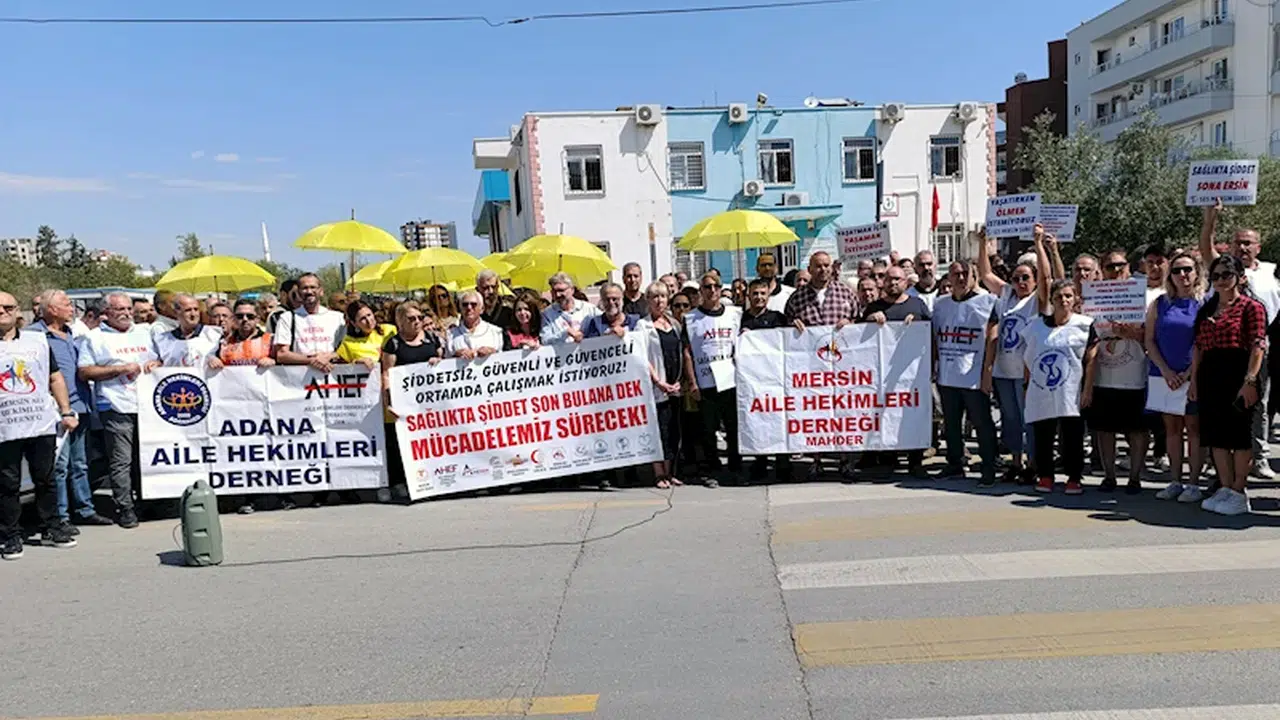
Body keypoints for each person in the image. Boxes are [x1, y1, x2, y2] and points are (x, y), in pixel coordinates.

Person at [1200, 202, 1280, 480]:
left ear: (1258, 246)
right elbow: (1206, 247)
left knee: (1258, 407)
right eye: (1237, 243)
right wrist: (1210, 218)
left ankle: (1259, 457)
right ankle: (1220, 467)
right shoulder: (1223, 268)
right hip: (1223, 354)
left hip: (1260, 350)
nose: (1242, 247)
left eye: (1248, 243)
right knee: (1222, 411)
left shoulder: (1271, 272)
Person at [0, 291, 82, 559]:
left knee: (45, 478)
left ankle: (51, 528)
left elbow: (55, 377)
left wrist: (66, 410)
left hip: (39, 422)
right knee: (8, 483)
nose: (2, 312)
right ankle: (10, 536)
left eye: (8, 307)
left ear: (17, 311)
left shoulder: (37, 342)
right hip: (5, 427)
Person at [1190, 254, 1267, 515]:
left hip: (1239, 373)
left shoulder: (1251, 307)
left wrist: (1250, 380)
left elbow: (1257, 345)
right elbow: (1198, 347)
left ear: (1240, 278)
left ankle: (1238, 490)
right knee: (1216, 435)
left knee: (1240, 436)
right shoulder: (1207, 309)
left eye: (1227, 275)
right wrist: (1194, 380)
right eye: (1216, 276)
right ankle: (1224, 486)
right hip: (1210, 375)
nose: (1221, 280)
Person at [30, 291, 112, 531]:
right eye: (67, 304)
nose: (72, 309)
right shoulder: (34, 336)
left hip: (80, 406)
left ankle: (85, 509)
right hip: (55, 409)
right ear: (52, 309)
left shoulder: (73, 334)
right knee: (59, 465)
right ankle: (61, 516)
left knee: (80, 463)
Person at [76, 292, 160, 528]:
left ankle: (146, 502)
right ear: (106, 313)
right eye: (119, 309)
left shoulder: (145, 332)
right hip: (115, 405)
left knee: (146, 457)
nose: (126, 313)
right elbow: (85, 371)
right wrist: (119, 369)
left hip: (147, 405)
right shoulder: (94, 337)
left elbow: (161, 359)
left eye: (128, 309)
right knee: (121, 460)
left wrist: (157, 363)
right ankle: (125, 508)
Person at [785, 251, 860, 481]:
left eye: (827, 265)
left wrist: (851, 323)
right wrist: (792, 324)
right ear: (810, 268)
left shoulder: (846, 293)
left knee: (844, 413)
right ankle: (816, 461)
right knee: (815, 413)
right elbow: (785, 328)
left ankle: (845, 461)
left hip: (842, 367)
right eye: (818, 266)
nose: (823, 270)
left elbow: (859, 322)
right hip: (811, 369)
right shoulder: (797, 298)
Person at [1023, 271, 1097, 495]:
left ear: (1075, 299)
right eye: (1058, 296)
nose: (1063, 300)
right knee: (1043, 433)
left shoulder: (1084, 325)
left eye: (1068, 296)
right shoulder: (1036, 326)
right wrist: (1027, 386)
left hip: (1071, 389)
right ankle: (1045, 475)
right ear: (1052, 300)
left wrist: (1087, 389)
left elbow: (1091, 359)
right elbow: (1028, 357)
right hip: (1042, 388)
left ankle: (1074, 477)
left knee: (1072, 435)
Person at [1084, 249, 1150, 494]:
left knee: (1138, 429)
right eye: (1110, 266)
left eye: (1120, 265)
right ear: (1102, 270)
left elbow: (1152, 336)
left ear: (1129, 267)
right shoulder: (1093, 296)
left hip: (1134, 373)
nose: (1116, 270)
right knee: (1104, 429)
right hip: (1103, 372)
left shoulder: (1142, 296)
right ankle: (1109, 476)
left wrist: (1132, 333)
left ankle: (1134, 478)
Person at [979, 230, 1041, 485]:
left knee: (1029, 419)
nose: (1020, 282)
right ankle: (1016, 462)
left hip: (1026, 371)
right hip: (1004, 370)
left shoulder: (1037, 300)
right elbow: (985, 274)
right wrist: (982, 243)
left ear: (1035, 280)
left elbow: (1051, 277)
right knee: (1011, 419)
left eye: (1026, 278)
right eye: (1016, 278)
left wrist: (1040, 245)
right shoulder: (1006, 296)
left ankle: (1033, 464)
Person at [932, 259, 999, 486]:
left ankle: (989, 466)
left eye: (965, 274)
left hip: (973, 375)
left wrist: (987, 372)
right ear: (948, 278)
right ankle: (955, 464)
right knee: (951, 424)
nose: (960, 278)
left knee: (982, 423)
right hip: (947, 374)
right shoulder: (940, 304)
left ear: (974, 276)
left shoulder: (987, 302)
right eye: (955, 274)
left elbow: (992, 339)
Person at [860, 265, 930, 477]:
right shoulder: (874, 307)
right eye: (889, 279)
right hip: (882, 376)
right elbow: (859, 339)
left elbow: (930, 332)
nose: (893, 283)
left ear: (906, 282)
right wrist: (869, 320)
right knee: (886, 416)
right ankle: (888, 459)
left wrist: (918, 322)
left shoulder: (918, 305)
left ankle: (915, 460)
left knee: (913, 416)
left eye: (897, 279)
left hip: (913, 375)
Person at [1148, 251, 1205, 503]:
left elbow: (1205, 343)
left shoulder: (1205, 303)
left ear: (1197, 272)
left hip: (1193, 376)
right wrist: (1166, 371)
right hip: (1164, 376)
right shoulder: (1159, 303)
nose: (1182, 275)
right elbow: (1149, 340)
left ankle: (1194, 483)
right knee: (1171, 429)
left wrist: (1188, 374)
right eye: (1177, 270)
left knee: (1194, 429)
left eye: (1187, 269)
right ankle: (1175, 481)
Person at [683, 271, 743, 488]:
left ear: (720, 289)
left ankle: (736, 468)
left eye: (715, 286)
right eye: (707, 287)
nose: (711, 290)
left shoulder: (735, 314)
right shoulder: (691, 318)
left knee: (733, 428)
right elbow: (687, 352)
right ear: (701, 291)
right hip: (706, 382)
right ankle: (713, 470)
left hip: (730, 380)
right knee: (708, 430)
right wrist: (692, 382)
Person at [381, 301, 442, 502]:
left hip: (431, 403)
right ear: (400, 322)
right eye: (411, 318)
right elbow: (387, 373)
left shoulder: (432, 339)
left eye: (419, 318)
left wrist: (438, 362)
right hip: (406, 404)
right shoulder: (393, 344)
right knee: (406, 445)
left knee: (432, 441)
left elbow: (445, 365)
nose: (417, 322)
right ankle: (404, 483)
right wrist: (388, 402)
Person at [740, 278, 791, 483]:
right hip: (752, 382)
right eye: (755, 294)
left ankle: (783, 463)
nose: (759, 297)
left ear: (769, 296)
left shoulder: (779, 318)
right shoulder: (740, 319)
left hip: (776, 379)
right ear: (748, 296)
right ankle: (760, 462)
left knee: (779, 421)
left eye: (762, 293)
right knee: (756, 421)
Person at [637, 282, 684, 489]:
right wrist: (658, 381)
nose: (659, 301)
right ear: (648, 300)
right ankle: (659, 473)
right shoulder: (643, 325)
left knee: (674, 430)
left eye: (663, 296)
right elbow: (642, 356)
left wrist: (679, 380)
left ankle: (671, 471)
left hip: (675, 385)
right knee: (659, 430)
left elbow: (680, 352)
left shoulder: (674, 323)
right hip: (656, 386)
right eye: (655, 297)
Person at [274, 273, 346, 373]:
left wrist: (328, 357)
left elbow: (347, 349)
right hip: (299, 377)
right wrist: (312, 360)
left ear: (321, 291)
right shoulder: (287, 318)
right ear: (298, 292)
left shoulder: (338, 318)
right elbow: (281, 354)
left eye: (313, 287)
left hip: (332, 374)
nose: (309, 291)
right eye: (304, 288)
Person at [153, 294, 223, 369]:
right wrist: (156, 363)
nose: (193, 314)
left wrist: (218, 360)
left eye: (196, 309)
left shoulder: (215, 334)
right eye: (188, 310)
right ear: (176, 313)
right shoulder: (162, 340)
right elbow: (159, 361)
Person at [540, 272, 600, 345]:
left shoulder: (589, 309)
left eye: (561, 290)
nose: (557, 295)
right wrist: (565, 333)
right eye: (554, 291)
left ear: (572, 290)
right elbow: (545, 340)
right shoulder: (547, 314)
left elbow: (604, 324)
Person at [216, 299, 276, 369]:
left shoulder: (271, 340)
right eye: (240, 316)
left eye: (250, 316)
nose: (245, 319)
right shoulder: (224, 343)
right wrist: (214, 360)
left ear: (258, 319)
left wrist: (274, 361)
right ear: (234, 318)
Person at [336, 300, 396, 369]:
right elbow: (341, 367)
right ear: (354, 323)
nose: (368, 320)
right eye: (363, 319)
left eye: (369, 315)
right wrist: (356, 363)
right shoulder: (348, 343)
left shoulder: (390, 330)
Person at [446, 290, 506, 359]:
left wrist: (492, 352)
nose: (469, 307)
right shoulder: (451, 334)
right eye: (465, 304)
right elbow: (445, 360)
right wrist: (456, 355)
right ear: (460, 308)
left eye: (473, 304)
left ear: (482, 309)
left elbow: (503, 359)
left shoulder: (495, 332)